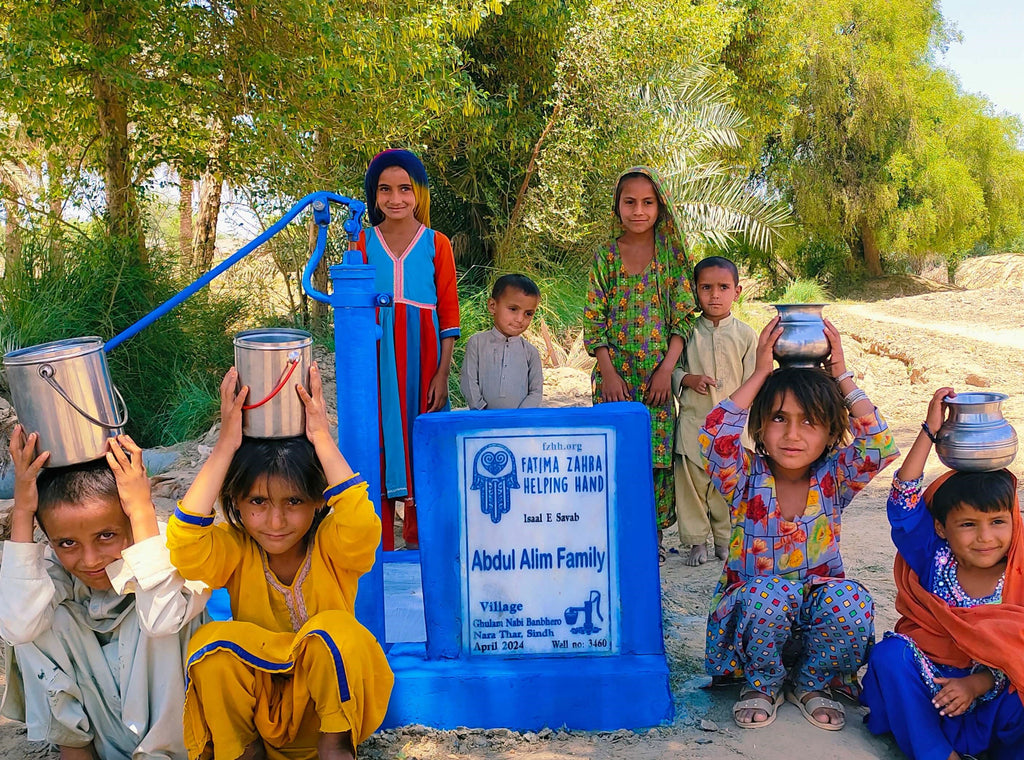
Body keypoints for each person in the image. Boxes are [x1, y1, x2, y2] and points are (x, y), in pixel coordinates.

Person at [166, 364, 394, 760]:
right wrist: (225, 447)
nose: (275, 521)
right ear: (235, 500)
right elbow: (187, 548)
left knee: (332, 632)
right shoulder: (236, 548)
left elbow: (360, 523)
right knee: (210, 646)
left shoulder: (332, 544)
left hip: (329, 715)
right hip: (266, 716)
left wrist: (321, 438)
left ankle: (338, 748)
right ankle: (243, 751)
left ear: (320, 499)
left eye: (294, 502)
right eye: (257, 502)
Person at [701, 317, 899, 731]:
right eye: (779, 418)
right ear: (759, 426)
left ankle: (811, 684)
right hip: (753, 627)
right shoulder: (744, 477)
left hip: (815, 631)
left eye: (810, 421)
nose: (793, 434)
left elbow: (880, 443)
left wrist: (841, 374)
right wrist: (760, 373)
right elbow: (715, 436)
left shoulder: (835, 477)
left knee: (851, 600)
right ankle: (762, 684)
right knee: (769, 593)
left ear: (830, 433)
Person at [0, 428, 208, 760]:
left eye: (107, 535)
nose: (90, 559)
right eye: (67, 543)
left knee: (159, 608)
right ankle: (76, 750)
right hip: (107, 739)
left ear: (132, 518)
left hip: (181, 745)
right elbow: (18, 625)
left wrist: (140, 508)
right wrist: (23, 511)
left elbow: (163, 620)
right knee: (36, 616)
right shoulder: (57, 572)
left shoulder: (171, 549)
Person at [861, 386, 1024, 760]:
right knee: (890, 656)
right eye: (967, 524)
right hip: (933, 696)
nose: (985, 537)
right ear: (941, 528)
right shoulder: (935, 557)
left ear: (1014, 520)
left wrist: (977, 683)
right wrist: (930, 432)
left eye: (998, 521)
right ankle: (938, 755)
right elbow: (902, 504)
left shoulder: (1019, 570)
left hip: (993, 698)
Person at [583, 166, 698, 562]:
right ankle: (616, 535)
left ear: (659, 207)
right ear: (617, 207)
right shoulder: (607, 257)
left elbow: (683, 316)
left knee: (655, 458)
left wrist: (667, 369)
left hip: (656, 381)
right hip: (615, 378)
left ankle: (652, 539)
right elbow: (594, 317)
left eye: (647, 202)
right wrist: (609, 371)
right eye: (629, 202)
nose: (638, 210)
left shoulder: (669, 258)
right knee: (614, 455)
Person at [358, 148, 460, 551]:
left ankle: (420, 538)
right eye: (385, 189)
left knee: (423, 436)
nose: (395, 198)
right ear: (373, 194)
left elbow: (449, 312)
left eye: (405, 188)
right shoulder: (362, 242)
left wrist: (442, 372)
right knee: (381, 436)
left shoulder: (437, 243)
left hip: (424, 355)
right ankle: (379, 538)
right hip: (379, 356)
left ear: (419, 192)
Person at [672, 255, 756, 566]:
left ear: (738, 291)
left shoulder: (746, 335)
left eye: (723, 287)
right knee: (692, 488)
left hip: (733, 431)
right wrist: (688, 379)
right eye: (706, 288)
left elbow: (755, 379)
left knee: (727, 488)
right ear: (694, 291)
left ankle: (725, 540)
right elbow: (673, 370)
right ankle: (696, 542)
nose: (714, 295)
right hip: (694, 425)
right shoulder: (686, 332)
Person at [460, 273, 543, 410]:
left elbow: (536, 391)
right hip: (482, 421)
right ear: (492, 306)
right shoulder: (477, 343)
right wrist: (480, 410)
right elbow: (469, 381)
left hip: (518, 425)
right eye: (513, 309)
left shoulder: (530, 352)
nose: (520, 319)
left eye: (528, 313)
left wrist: (519, 416)